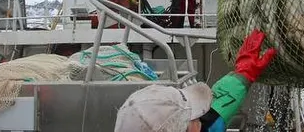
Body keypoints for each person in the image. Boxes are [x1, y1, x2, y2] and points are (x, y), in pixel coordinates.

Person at [114, 28, 277, 132]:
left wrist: (243, 73)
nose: (200, 116)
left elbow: (213, 115)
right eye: (192, 115)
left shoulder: (204, 125)